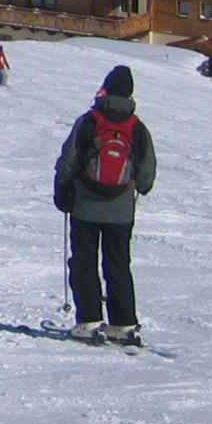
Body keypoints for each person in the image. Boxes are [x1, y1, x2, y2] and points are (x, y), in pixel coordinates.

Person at [54, 65, 157, 342]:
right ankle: (123, 324)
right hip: (121, 210)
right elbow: (146, 175)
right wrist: (138, 187)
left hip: (85, 206)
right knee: (118, 264)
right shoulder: (137, 128)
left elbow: (68, 160)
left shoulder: (90, 121)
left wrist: (62, 190)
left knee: (84, 262)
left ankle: (88, 321)